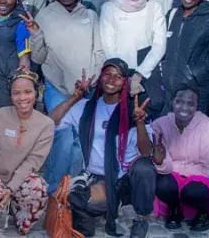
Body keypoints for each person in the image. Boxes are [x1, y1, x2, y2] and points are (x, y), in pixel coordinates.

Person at [47, 59, 154, 238]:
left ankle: (140, 217)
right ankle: (104, 207)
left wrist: (140, 123)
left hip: (123, 177)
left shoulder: (132, 110)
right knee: (75, 198)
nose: (112, 80)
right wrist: (75, 97)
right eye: (107, 74)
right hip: (95, 175)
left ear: (125, 82)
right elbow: (50, 122)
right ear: (100, 77)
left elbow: (146, 153)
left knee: (144, 168)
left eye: (118, 77)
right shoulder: (87, 107)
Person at [0, 69, 53, 238]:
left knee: (40, 187)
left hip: (21, 179)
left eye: (28, 92)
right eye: (16, 93)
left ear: (37, 93)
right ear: (10, 95)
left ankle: (17, 212)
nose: (22, 98)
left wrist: (10, 189)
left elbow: (31, 163)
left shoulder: (46, 124)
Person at [27, 0, 104, 112]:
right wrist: (35, 34)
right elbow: (38, 59)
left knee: (84, 134)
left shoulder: (90, 16)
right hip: (56, 90)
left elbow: (99, 52)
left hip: (87, 89)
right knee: (65, 134)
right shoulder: (43, 16)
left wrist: (92, 81)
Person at [152, 0, 209, 117]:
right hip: (168, 90)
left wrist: (193, 74)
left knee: (191, 136)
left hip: (194, 91)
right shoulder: (171, 15)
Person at [148, 85, 209, 232]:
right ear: (172, 102)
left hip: (199, 177)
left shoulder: (206, 125)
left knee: (193, 191)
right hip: (172, 176)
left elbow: (206, 167)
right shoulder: (159, 125)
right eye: (179, 102)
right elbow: (163, 165)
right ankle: (175, 210)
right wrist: (162, 162)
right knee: (162, 184)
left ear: (196, 106)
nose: (184, 108)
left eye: (190, 104)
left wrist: (175, 167)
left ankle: (203, 213)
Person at [99, 0, 165, 99]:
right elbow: (108, 46)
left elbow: (159, 45)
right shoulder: (109, 7)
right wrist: (121, 76)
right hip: (119, 77)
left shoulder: (153, 6)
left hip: (146, 74)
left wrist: (139, 75)